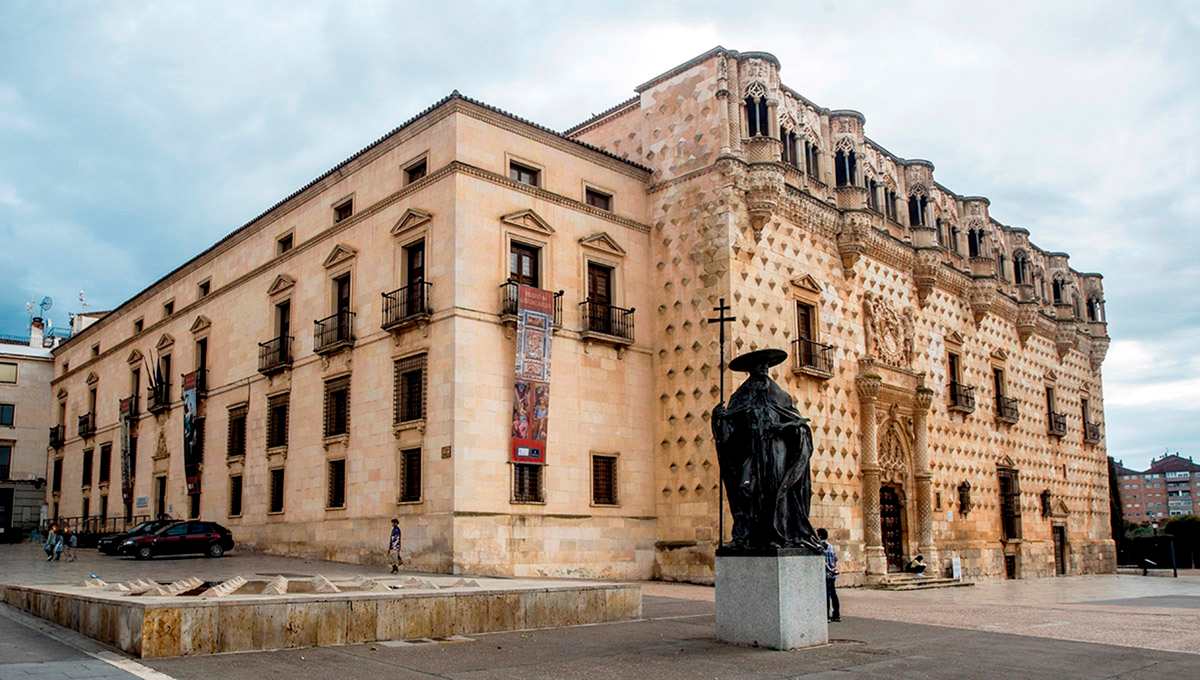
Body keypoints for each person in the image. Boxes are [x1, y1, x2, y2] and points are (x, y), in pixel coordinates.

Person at [818, 527, 840, 622]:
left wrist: (829, 569)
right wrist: (834, 568)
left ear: (820, 536)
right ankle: (836, 615)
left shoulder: (820, 547)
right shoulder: (831, 546)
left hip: (826, 574)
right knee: (833, 594)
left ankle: (826, 616)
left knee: (826, 595)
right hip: (832, 575)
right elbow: (835, 559)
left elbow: (823, 561)